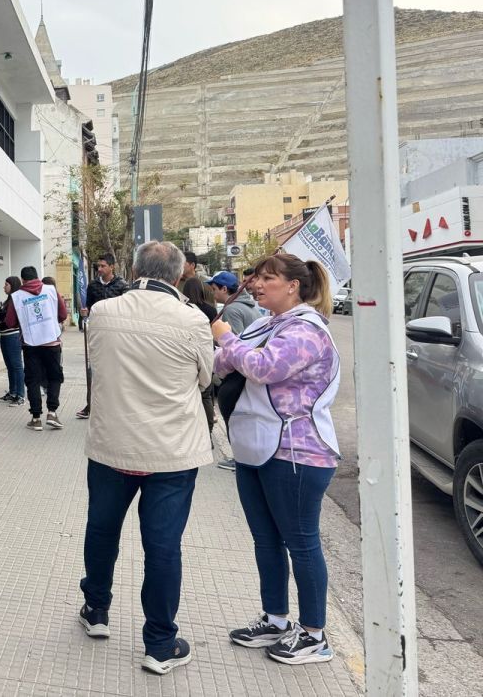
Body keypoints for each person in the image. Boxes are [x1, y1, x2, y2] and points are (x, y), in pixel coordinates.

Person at [79, 241, 213, 675]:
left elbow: (97, 366)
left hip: (112, 445)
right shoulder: (194, 319)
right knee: (162, 547)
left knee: (102, 531)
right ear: (179, 275)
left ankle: (96, 610)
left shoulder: (103, 313)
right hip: (172, 452)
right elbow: (205, 377)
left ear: (133, 268)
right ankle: (159, 642)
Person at [213, 254, 341, 666]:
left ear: (294, 286)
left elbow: (263, 368)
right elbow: (221, 366)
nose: (257, 284)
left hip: (298, 452)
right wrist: (232, 348)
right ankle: (275, 619)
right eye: (257, 277)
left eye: (268, 278)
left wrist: (227, 340)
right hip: (253, 447)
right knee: (265, 540)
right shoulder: (262, 323)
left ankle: (314, 634)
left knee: (301, 543)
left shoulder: (306, 330)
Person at [3, 265, 68, 432]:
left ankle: (36, 418)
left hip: (31, 345)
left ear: (23, 280)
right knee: (54, 377)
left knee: (32, 380)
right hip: (52, 342)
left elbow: (9, 322)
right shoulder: (51, 290)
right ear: (37, 277)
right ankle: (52, 413)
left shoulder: (16, 296)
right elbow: (63, 315)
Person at [181, 277, 236, 472]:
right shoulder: (210, 309)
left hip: (186, 355)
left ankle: (191, 435)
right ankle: (208, 435)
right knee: (206, 396)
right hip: (207, 355)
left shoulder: (183, 309)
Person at [78, 254, 128, 420]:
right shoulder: (92, 286)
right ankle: (90, 404)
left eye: (103, 266)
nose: (99, 269)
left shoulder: (122, 286)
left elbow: (127, 310)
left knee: (116, 372)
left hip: (117, 335)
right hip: (97, 334)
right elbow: (89, 307)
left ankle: (117, 407)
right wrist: (85, 313)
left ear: (112, 267)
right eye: (98, 266)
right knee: (95, 371)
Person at [0, 276, 26, 406]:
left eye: (6, 284)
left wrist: (0, 318)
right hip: (5, 335)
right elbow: (0, 317)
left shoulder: (16, 300)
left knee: (17, 366)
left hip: (13, 335)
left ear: (12, 286)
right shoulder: (9, 300)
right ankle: (13, 392)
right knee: (10, 366)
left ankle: (20, 395)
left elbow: (8, 320)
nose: (4, 287)